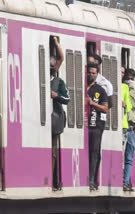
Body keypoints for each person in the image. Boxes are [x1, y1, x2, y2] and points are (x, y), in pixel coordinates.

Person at [50, 36, 70, 191]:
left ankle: (52, 178)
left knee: (53, 151)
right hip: (46, 118)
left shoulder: (58, 81)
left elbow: (67, 99)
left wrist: (55, 95)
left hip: (55, 120)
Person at [87, 63, 109, 191]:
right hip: (84, 125)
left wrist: (92, 104)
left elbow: (105, 108)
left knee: (94, 153)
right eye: (89, 72)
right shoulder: (83, 87)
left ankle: (92, 180)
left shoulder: (100, 90)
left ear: (97, 74)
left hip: (96, 126)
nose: (91, 75)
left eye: (94, 73)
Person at [121, 66, 132, 146]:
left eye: (123, 72)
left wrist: (124, 105)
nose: (121, 74)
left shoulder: (125, 87)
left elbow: (128, 107)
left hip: (123, 123)